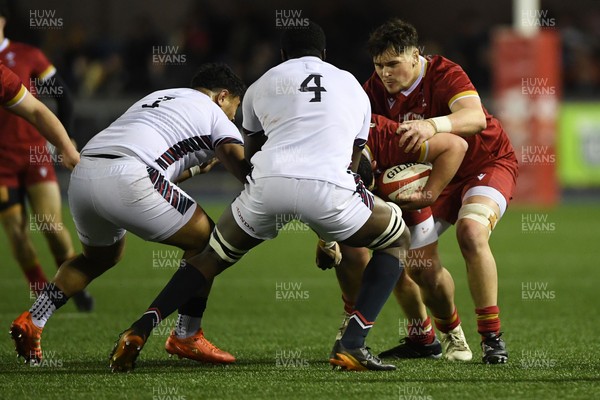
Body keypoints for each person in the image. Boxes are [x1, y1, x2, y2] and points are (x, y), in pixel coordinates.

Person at [109, 21, 410, 373]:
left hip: (268, 183)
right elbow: (353, 162)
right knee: (396, 238)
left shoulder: (261, 84)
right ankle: (353, 343)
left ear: (282, 55)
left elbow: (250, 158)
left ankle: (141, 328)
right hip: (331, 189)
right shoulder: (352, 86)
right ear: (325, 55)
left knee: (210, 257)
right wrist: (331, 228)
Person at [10, 63, 250, 366]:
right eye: (235, 107)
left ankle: (35, 319)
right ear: (223, 96)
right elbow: (240, 166)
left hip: (85, 173)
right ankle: (186, 335)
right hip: (131, 175)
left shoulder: (161, 97)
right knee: (208, 243)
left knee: (100, 257)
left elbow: (152, 163)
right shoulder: (217, 115)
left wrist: (192, 168)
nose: (233, 115)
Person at [365, 18, 517, 364]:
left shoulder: (444, 73)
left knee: (471, 232)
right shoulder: (371, 90)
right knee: (417, 267)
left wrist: (431, 124)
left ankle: (492, 337)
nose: (385, 73)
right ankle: (447, 337)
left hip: (486, 163)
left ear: (416, 56)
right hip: (430, 176)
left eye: (393, 64)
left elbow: (475, 117)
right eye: (378, 65)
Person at [318, 112, 473, 362]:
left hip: (402, 193)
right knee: (350, 254)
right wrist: (326, 239)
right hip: (345, 196)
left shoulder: (392, 137)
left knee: (425, 271)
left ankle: (452, 331)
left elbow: (457, 146)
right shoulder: (325, 145)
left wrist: (429, 195)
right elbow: (310, 196)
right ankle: (408, 335)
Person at [0, 3, 93, 310]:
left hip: (34, 155)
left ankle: (74, 286)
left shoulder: (25, 55)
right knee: (17, 234)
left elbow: (60, 97)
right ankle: (45, 298)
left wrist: (64, 142)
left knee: (51, 226)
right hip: (2, 164)